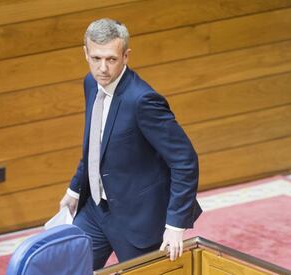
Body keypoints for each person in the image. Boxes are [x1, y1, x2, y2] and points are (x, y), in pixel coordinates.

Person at [59, 18, 202, 270]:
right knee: (70, 267)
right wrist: (74, 189)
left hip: (138, 218)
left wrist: (175, 225)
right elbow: (95, 144)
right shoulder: (91, 83)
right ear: (85, 53)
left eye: (111, 59)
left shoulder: (143, 100)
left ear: (126, 56)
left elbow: (185, 161)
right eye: (96, 58)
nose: (103, 68)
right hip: (95, 209)